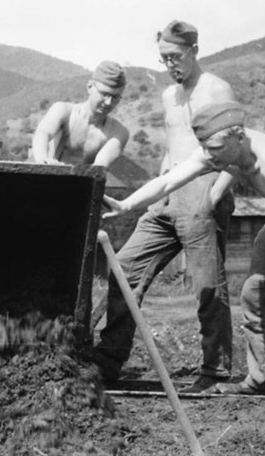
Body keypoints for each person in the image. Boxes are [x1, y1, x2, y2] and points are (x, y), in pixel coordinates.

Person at [104, 101, 265, 429]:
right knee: (255, 293)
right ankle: (263, 379)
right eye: (205, 147)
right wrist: (126, 204)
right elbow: (167, 181)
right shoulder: (217, 151)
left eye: (216, 148)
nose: (209, 156)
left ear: (239, 137)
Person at [92, 20, 236, 393]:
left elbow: (236, 149)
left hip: (204, 190)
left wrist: (215, 194)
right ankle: (107, 361)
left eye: (175, 56)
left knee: (207, 286)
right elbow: (173, 147)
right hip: (168, 193)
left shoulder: (216, 89)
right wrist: (156, 192)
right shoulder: (170, 95)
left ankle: (215, 372)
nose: (170, 65)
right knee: (125, 268)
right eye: (163, 58)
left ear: (194, 51)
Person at [31, 60, 129, 167]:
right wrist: (42, 159)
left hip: (86, 177)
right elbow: (42, 134)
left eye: (115, 97)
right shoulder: (63, 111)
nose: (108, 102)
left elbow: (101, 165)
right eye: (104, 94)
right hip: (49, 174)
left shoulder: (118, 132)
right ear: (90, 87)